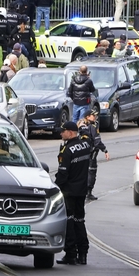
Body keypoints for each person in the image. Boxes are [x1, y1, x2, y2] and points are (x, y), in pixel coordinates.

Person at [55, 121, 92, 265]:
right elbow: (89, 138)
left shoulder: (68, 150)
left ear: (70, 132)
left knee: (69, 221)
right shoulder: (85, 145)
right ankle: (83, 253)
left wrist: (55, 187)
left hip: (69, 191)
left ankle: (70, 253)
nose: (60, 133)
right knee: (80, 220)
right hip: (81, 190)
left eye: (63, 131)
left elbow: (63, 174)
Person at [79, 109, 109, 201]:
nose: (95, 117)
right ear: (87, 117)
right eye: (93, 115)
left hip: (82, 153)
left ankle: (82, 192)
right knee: (91, 171)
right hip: (91, 153)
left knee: (83, 172)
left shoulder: (81, 126)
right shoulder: (92, 126)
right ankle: (88, 192)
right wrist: (105, 150)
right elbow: (97, 141)